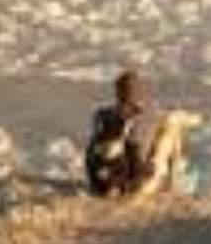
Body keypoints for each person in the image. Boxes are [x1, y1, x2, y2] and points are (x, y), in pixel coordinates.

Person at [85, 70, 199, 198]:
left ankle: (168, 183)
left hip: (105, 180)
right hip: (136, 182)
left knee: (170, 123)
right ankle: (172, 184)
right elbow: (135, 156)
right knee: (172, 125)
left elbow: (93, 151)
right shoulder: (144, 114)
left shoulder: (104, 115)